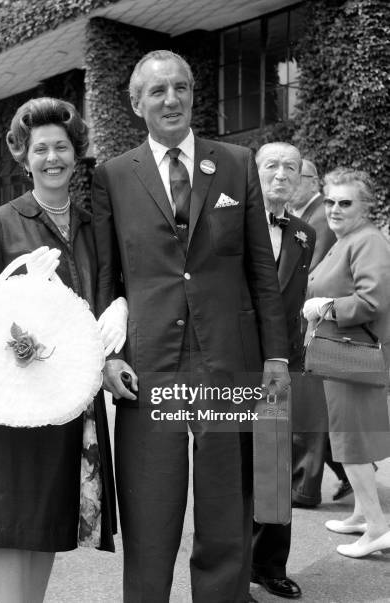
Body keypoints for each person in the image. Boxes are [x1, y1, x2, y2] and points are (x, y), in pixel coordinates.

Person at [92, 50, 290, 603]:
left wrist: (275, 357)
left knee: (225, 495)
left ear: (192, 94)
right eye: (157, 91)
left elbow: (260, 267)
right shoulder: (113, 175)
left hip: (224, 356)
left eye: (180, 87)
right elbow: (109, 277)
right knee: (151, 498)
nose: (171, 98)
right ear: (137, 104)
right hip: (150, 360)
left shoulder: (234, 161)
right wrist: (108, 356)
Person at [0, 97, 117, 602]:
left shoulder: (90, 226)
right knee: (13, 517)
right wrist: (17, 324)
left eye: (61, 147)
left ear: (76, 153)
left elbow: (102, 300)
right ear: (23, 157)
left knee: (47, 516)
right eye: (40, 148)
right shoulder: (5, 221)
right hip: (15, 395)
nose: (52, 158)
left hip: (65, 397)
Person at [304, 168, 390, 557]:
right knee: (355, 439)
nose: (334, 209)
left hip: (350, 354)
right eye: (330, 202)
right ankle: (360, 514)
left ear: (365, 207)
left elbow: (373, 301)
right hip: (345, 353)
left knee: (351, 444)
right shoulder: (352, 239)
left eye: (345, 203)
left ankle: (376, 528)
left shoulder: (367, 241)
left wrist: (326, 306)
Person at [250, 143, 315, 600]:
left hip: (281, 367)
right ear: (254, 173)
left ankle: (271, 566)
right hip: (233, 365)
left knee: (275, 469)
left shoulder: (304, 234)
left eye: (290, 168)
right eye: (271, 166)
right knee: (235, 472)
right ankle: (232, 568)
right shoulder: (229, 224)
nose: (280, 175)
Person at [289, 159, 350, 506]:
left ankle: (306, 485)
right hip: (315, 325)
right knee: (316, 410)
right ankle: (351, 468)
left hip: (317, 325)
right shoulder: (309, 215)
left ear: (312, 181)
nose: (289, 180)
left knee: (311, 411)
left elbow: (308, 273)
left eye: (298, 174)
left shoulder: (317, 221)